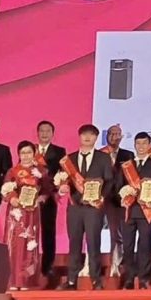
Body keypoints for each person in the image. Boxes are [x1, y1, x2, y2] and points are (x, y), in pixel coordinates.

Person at [56, 124, 114, 290]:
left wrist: (102, 197)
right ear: (79, 137)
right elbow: (63, 180)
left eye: (91, 135)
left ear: (96, 138)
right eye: (84, 135)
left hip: (93, 208)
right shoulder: (69, 159)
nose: (87, 138)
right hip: (75, 207)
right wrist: (61, 188)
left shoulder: (103, 158)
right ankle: (71, 280)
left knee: (94, 243)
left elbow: (109, 181)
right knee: (74, 243)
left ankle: (96, 280)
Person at [1, 141, 51, 290]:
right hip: (16, 213)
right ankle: (12, 280)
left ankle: (25, 281)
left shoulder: (41, 172)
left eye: (29, 152)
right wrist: (12, 198)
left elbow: (47, 190)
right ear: (18, 154)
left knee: (29, 244)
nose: (26, 156)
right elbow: (6, 189)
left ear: (34, 154)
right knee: (14, 244)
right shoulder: (13, 171)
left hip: (32, 213)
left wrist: (41, 199)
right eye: (23, 153)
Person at [117, 132, 151, 289]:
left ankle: (144, 278)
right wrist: (123, 195)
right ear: (134, 145)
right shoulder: (126, 166)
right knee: (127, 246)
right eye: (138, 143)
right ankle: (129, 278)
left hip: (146, 212)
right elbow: (117, 187)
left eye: (144, 143)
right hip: (128, 212)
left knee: (145, 245)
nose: (141, 146)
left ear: (150, 145)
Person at [101, 124, 135, 278]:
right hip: (100, 198)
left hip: (118, 200)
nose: (114, 136)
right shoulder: (100, 154)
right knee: (93, 233)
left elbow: (131, 178)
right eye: (111, 133)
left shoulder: (128, 155)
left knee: (117, 234)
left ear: (121, 137)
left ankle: (116, 265)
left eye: (117, 134)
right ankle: (91, 264)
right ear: (106, 136)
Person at [35, 120, 65, 280]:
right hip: (30, 198)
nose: (44, 134)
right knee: (29, 232)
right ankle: (29, 265)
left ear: (52, 134)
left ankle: (47, 266)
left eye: (48, 131)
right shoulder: (30, 150)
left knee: (48, 231)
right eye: (42, 130)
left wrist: (47, 193)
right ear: (37, 133)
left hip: (49, 198)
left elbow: (62, 175)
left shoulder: (59, 151)